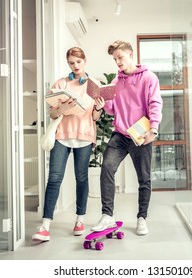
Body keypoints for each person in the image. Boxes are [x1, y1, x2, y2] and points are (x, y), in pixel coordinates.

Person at [32, 47, 105, 242]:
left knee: (82, 178)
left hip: (84, 136)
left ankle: (79, 220)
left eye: (78, 62)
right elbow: (53, 114)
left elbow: (95, 117)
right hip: (62, 135)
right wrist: (62, 108)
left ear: (85, 61)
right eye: (72, 63)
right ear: (68, 64)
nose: (75, 65)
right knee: (54, 178)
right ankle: (45, 225)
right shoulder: (61, 83)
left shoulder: (94, 85)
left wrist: (98, 108)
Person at [91, 40, 163, 235]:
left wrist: (153, 129)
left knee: (144, 178)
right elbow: (113, 109)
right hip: (120, 134)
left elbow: (155, 103)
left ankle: (142, 218)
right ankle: (107, 215)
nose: (118, 62)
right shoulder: (116, 82)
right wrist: (101, 104)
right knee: (107, 167)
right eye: (115, 59)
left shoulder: (148, 78)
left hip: (140, 135)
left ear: (131, 54)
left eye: (120, 57)